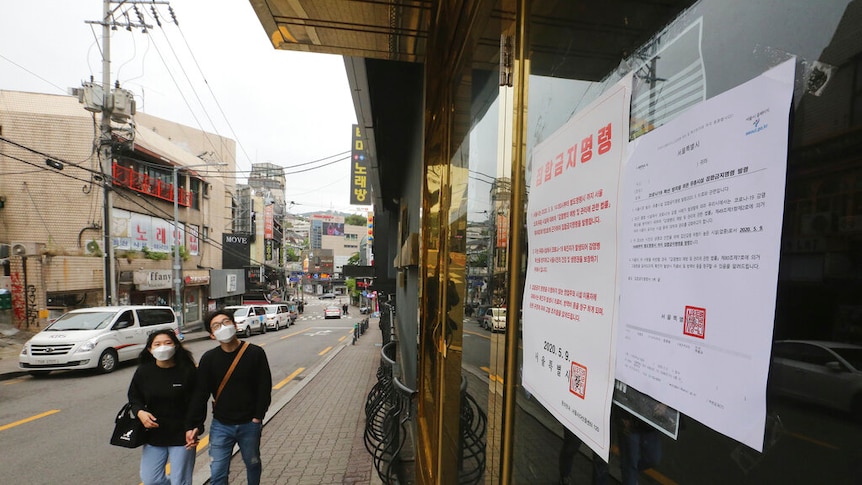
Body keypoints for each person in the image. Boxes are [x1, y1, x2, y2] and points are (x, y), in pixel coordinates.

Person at [187, 309, 272, 485]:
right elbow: (201, 393)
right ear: (212, 335)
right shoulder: (209, 359)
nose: (222, 327)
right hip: (221, 425)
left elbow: (264, 387)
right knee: (217, 472)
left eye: (226, 323)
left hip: (249, 423)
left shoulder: (255, 353)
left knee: (253, 463)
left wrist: (258, 417)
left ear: (234, 325)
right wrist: (195, 424)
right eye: (216, 326)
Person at [128, 329, 199, 485]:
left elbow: (197, 403)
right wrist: (140, 412)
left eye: (168, 343)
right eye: (157, 344)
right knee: (151, 479)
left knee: (180, 481)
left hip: (183, 434)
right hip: (154, 434)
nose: (163, 347)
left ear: (176, 346)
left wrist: (194, 427)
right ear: (150, 349)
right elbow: (134, 397)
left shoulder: (187, 371)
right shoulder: (144, 372)